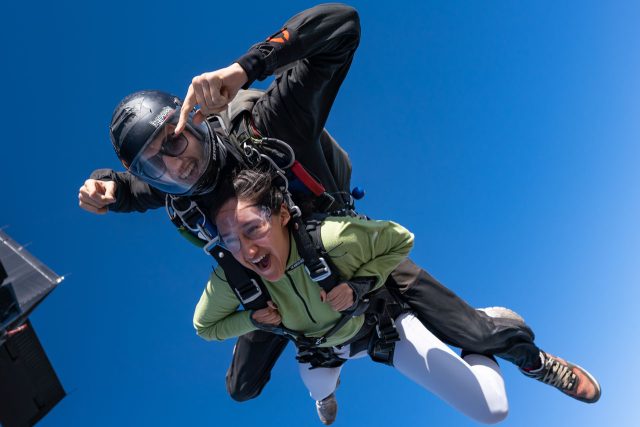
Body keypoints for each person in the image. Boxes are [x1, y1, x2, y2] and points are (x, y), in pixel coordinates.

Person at [77, 3, 600, 414]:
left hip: (343, 251)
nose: (177, 167)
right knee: (241, 389)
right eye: (155, 168)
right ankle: (327, 361)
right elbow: (129, 191)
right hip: (274, 284)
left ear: (190, 120)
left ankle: (533, 361)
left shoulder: (269, 127)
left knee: (478, 335)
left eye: (172, 142)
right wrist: (109, 188)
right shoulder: (176, 192)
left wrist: (245, 68)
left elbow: (342, 26)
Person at [194, 165, 510, 425]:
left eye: (253, 228)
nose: (247, 250)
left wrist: (358, 286)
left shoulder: (332, 238)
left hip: (381, 327)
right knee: (318, 387)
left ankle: (481, 333)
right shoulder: (234, 275)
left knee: (492, 409)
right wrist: (252, 318)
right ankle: (325, 396)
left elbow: (401, 239)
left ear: (283, 214)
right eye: (231, 241)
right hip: (321, 351)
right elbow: (205, 328)